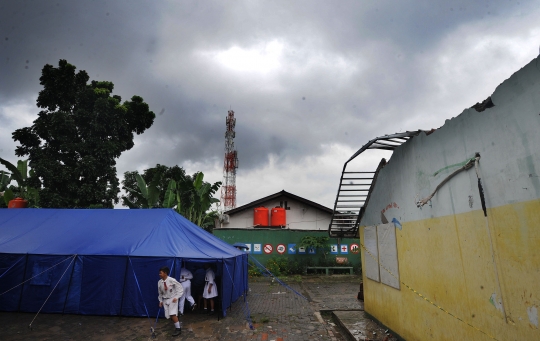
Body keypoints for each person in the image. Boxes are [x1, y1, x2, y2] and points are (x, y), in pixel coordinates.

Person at [157, 266, 183, 337]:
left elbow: (180, 288)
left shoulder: (172, 280)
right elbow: (160, 293)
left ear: (165, 273)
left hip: (172, 299)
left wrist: (177, 297)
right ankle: (177, 318)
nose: (159, 274)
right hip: (165, 300)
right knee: (168, 315)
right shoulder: (159, 282)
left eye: (161, 273)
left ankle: (178, 329)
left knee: (172, 314)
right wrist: (160, 301)